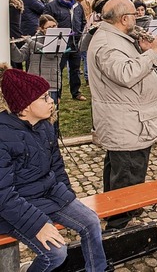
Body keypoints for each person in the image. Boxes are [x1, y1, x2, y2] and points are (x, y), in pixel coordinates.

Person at [0, 64, 107, 272]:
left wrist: (67, 196)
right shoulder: (3, 136)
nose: (52, 101)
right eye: (44, 98)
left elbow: (57, 166)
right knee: (56, 253)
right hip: (13, 208)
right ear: (25, 106)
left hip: (48, 195)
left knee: (91, 221)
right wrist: (37, 224)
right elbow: (3, 195)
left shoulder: (45, 126)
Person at [87, 0, 157, 230]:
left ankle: (121, 209)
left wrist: (142, 51)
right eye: (134, 15)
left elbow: (130, 65)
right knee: (127, 174)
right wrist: (152, 52)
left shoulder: (117, 37)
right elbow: (125, 73)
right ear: (124, 19)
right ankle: (119, 225)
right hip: (127, 124)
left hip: (131, 120)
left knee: (120, 170)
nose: (137, 18)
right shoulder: (106, 43)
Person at [43, 0, 87, 101]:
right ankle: (57, 94)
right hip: (59, 43)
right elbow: (46, 23)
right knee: (58, 69)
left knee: (75, 69)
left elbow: (83, 21)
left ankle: (76, 92)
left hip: (75, 42)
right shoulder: (51, 6)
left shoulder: (77, 6)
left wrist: (80, 33)